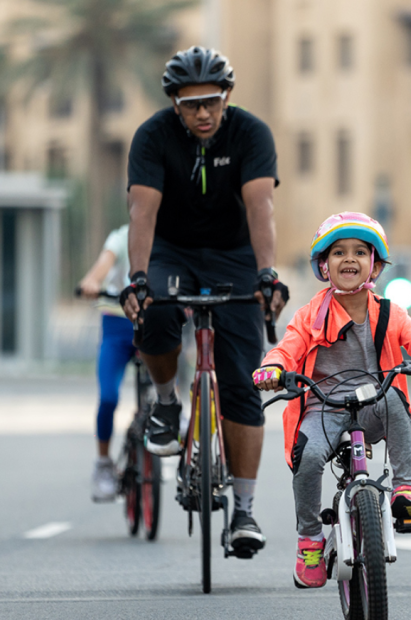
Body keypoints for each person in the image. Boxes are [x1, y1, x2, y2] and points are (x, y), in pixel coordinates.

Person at [120, 46, 288, 557]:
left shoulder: (251, 133)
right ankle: (166, 403)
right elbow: (142, 212)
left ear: (227, 97)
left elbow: (261, 206)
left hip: (235, 254)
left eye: (212, 101)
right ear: (175, 103)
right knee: (156, 314)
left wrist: (266, 274)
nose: (203, 113)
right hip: (171, 250)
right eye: (191, 104)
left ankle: (244, 511)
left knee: (242, 384)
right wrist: (138, 278)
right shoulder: (152, 136)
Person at [253, 212, 411, 589]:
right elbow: (286, 349)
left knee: (395, 400)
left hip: (373, 401)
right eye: (338, 252)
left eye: (360, 252)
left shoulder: (390, 312)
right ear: (323, 266)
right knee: (309, 458)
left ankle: (406, 490)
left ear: (374, 265)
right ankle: (310, 540)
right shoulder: (309, 316)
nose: (349, 259)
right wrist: (272, 368)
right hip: (323, 407)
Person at [78, 224, 135, 502]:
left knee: (166, 382)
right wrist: (92, 281)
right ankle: (103, 463)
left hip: (154, 322)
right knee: (109, 397)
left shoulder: (169, 233)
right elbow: (103, 265)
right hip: (116, 326)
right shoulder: (121, 237)